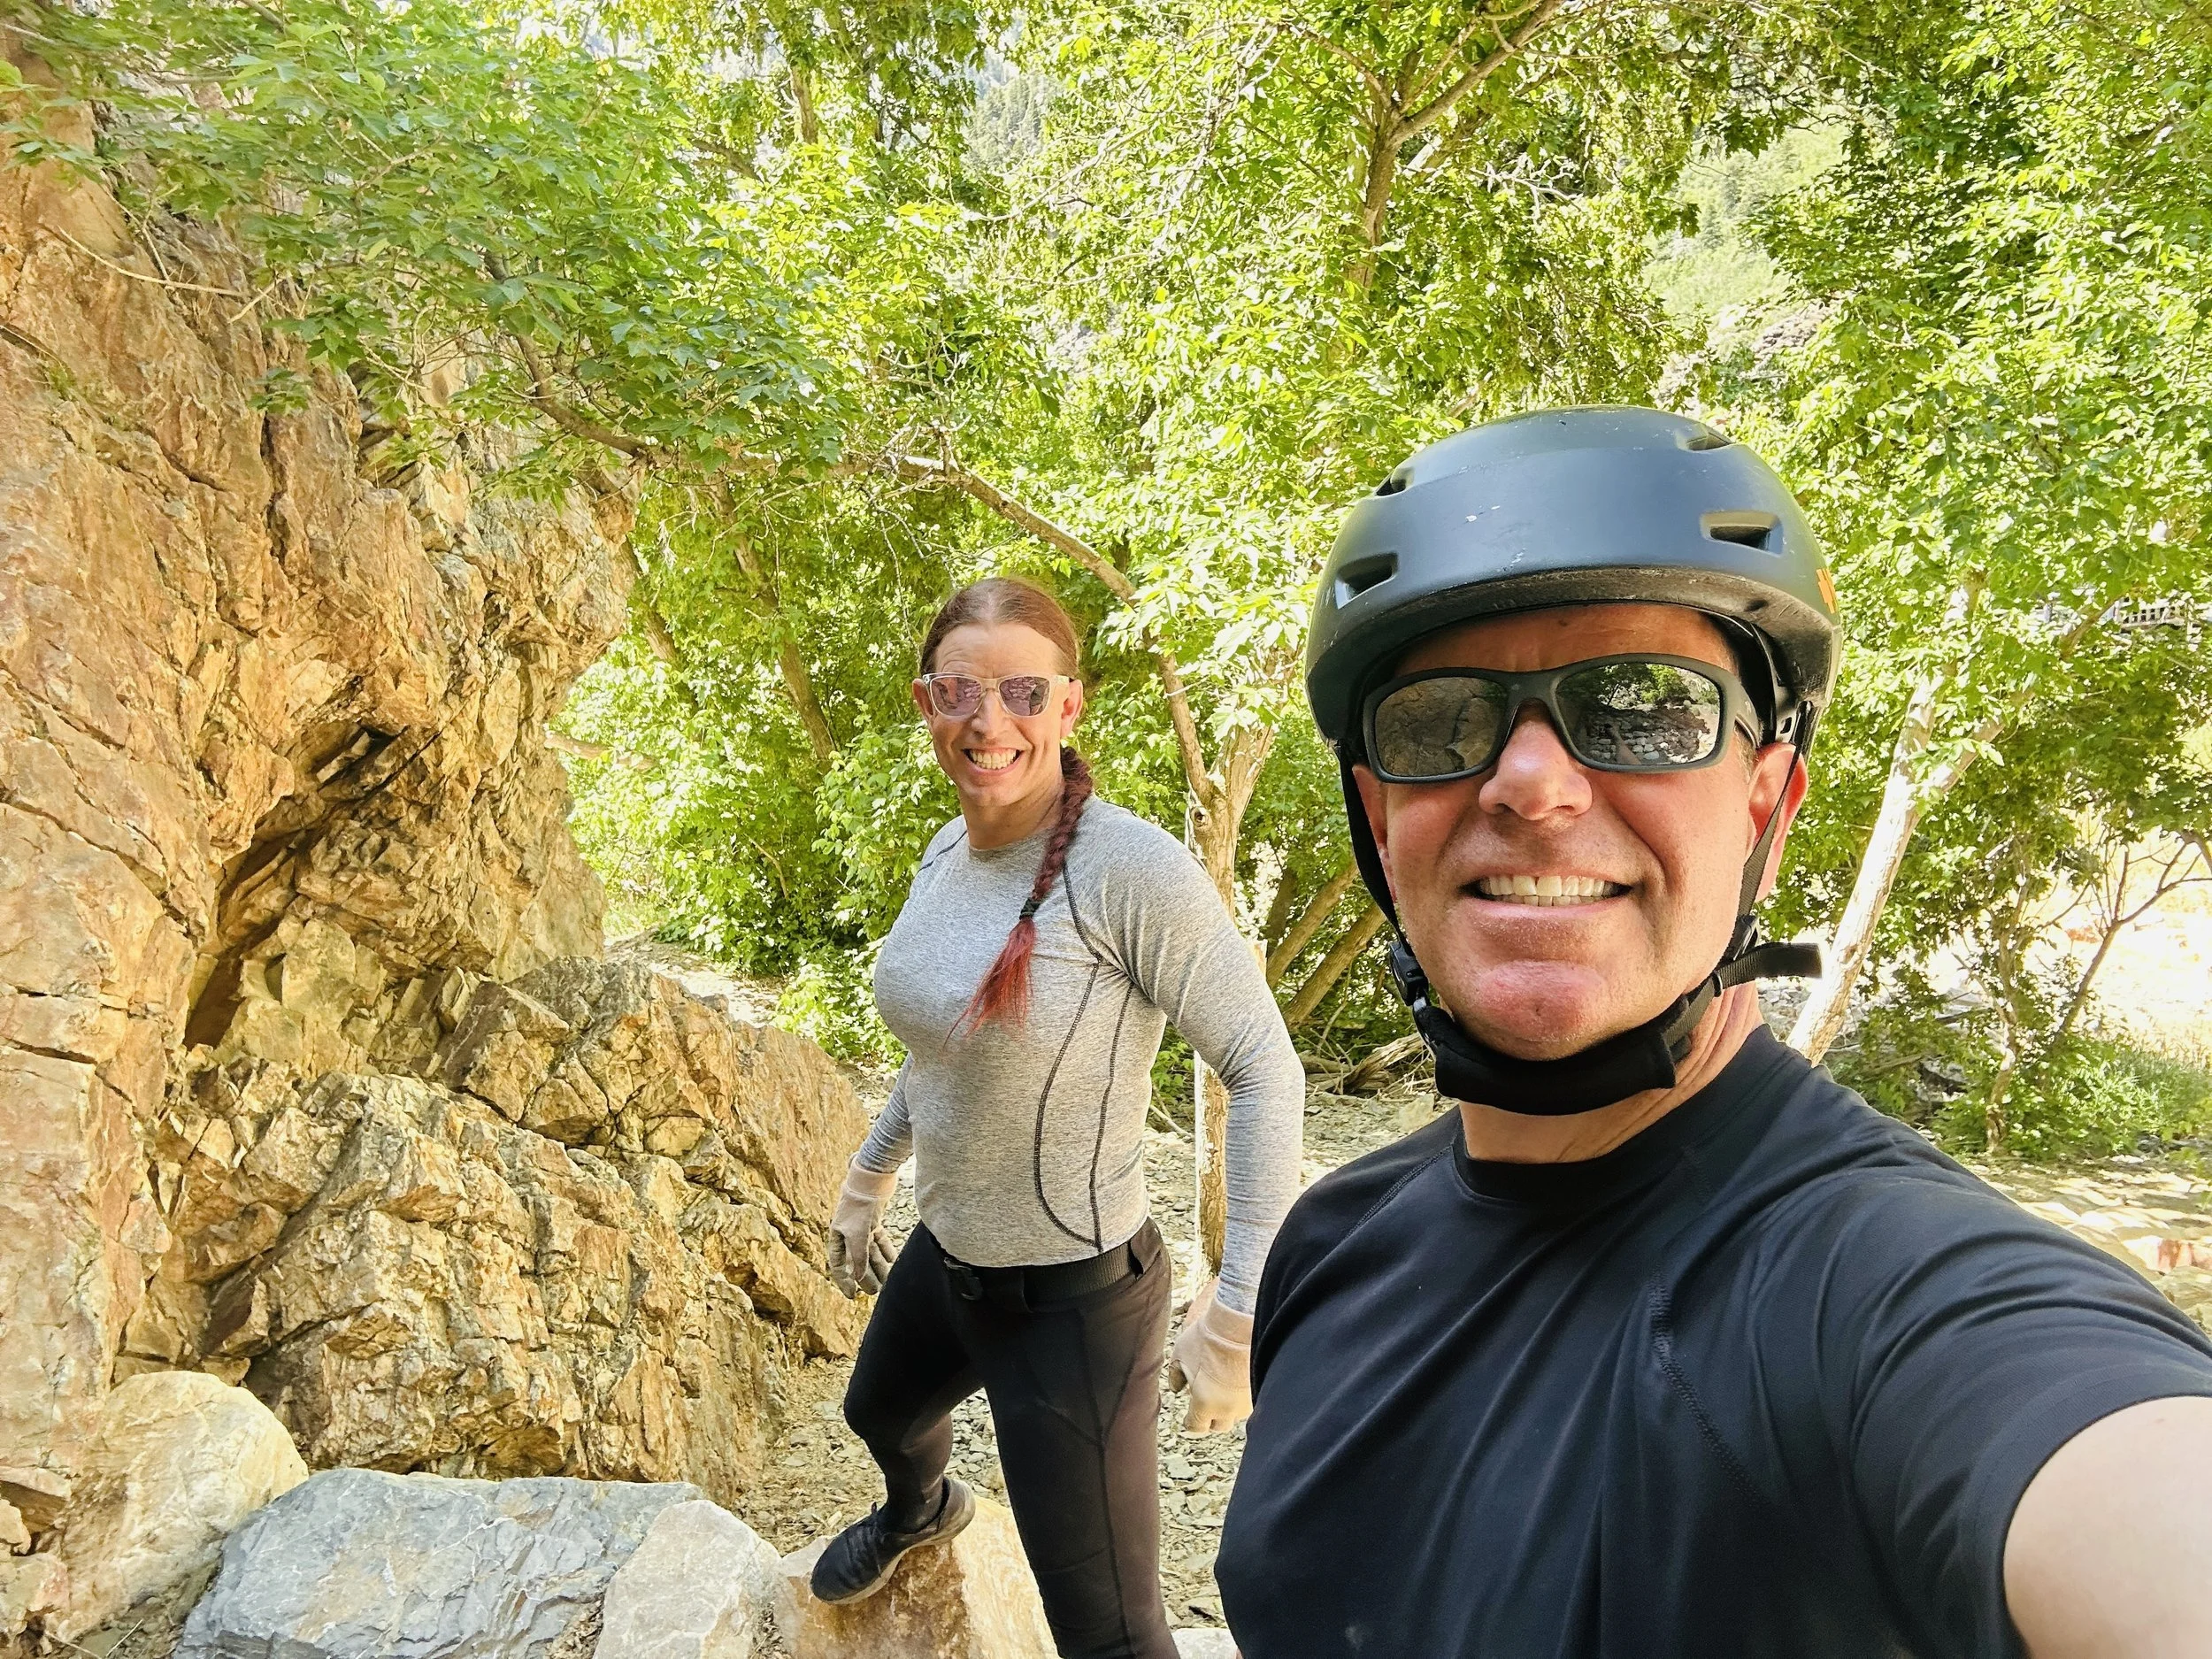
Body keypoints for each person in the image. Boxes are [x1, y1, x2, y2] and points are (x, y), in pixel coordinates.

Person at [1214, 407, 2212, 1658]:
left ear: (1766, 804)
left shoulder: (1874, 1287)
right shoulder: (1334, 1243)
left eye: (1643, 707)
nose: (1532, 781)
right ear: (1377, 811)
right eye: (1440, 719)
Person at [812, 576, 1304, 1659]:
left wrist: (1240, 1306)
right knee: (879, 1417)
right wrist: (870, 1170)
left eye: (1024, 692)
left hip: (1073, 1304)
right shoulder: (949, 853)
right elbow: (939, 1048)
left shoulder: (1127, 872)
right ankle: (922, 1511)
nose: (990, 722)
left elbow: (1264, 1064)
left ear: (1069, 708)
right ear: (926, 703)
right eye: (961, 692)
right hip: (952, 1255)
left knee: (1108, 1634)